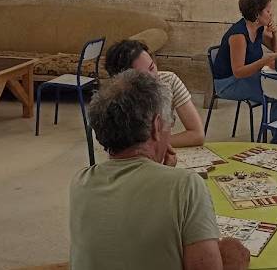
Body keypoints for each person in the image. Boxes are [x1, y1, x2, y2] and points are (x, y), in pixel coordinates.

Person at [69, 70, 250, 270]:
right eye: (169, 122)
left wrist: (160, 171)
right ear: (156, 126)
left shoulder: (80, 182)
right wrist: (235, 260)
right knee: (233, 251)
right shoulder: (186, 186)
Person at [104, 39, 205, 147]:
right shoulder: (116, 97)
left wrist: (158, 146)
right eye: (143, 76)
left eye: (152, 67)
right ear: (123, 81)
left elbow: (197, 135)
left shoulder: (168, 81)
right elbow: (123, 148)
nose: (153, 78)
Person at [212, 0, 277, 112]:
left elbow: (275, 49)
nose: (271, 14)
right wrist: (263, 62)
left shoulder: (258, 28)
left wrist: (274, 32)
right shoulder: (238, 36)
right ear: (257, 14)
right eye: (268, 11)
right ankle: (275, 130)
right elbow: (238, 72)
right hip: (229, 83)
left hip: (247, 77)